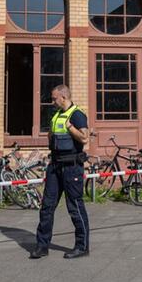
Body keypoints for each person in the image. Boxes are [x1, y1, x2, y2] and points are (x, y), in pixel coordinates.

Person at [31, 84, 90, 260]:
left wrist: (70, 128)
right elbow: (50, 135)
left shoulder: (77, 114)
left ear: (63, 97)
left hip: (72, 167)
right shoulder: (56, 115)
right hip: (55, 166)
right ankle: (42, 246)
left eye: (54, 98)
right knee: (47, 206)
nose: (52, 101)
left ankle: (82, 246)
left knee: (75, 206)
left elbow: (85, 137)